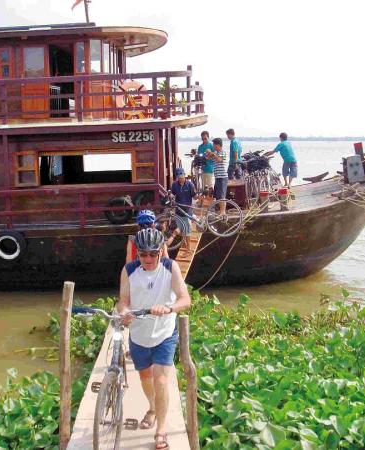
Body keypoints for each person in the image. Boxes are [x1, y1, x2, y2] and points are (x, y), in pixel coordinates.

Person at [117, 228, 191, 450]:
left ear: (160, 252)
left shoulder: (171, 268)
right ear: (137, 254)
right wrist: (124, 312)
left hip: (164, 333)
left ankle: (161, 430)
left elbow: (185, 299)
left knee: (160, 380)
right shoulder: (129, 270)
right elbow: (123, 301)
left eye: (152, 253)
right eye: (143, 254)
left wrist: (169, 308)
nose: (147, 259)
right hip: (139, 335)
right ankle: (152, 407)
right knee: (145, 379)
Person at [170, 167, 197, 254]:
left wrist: (200, 196)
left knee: (188, 231)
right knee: (182, 230)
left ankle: (188, 250)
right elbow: (172, 193)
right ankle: (185, 244)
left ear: (184, 175)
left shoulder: (190, 185)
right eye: (179, 176)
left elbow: (195, 196)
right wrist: (170, 195)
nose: (180, 178)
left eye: (182, 176)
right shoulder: (174, 184)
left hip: (187, 210)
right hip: (178, 210)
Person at [207, 137, 228, 216]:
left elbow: (219, 159)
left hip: (223, 177)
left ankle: (223, 212)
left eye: (214, 145)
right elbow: (208, 158)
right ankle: (220, 211)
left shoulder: (223, 152)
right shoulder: (215, 152)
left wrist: (213, 153)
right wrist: (209, 153)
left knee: (222, 195)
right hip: (217, 177)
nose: (213, 147)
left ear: (218, 145)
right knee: (218, 195)